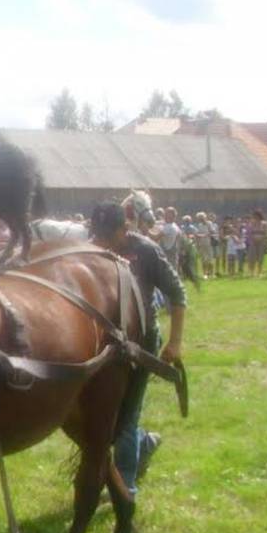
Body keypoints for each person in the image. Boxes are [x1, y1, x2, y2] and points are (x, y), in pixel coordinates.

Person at [89, 202, 185, 499]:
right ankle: (145, 444)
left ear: (125, 229)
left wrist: (174, 342)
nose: (102, 240)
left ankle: (125, 488)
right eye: (98, 233)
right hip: (105, 344)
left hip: (141, 341)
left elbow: (177, 294)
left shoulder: (145, 251)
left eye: (109, 234)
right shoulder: (89, 251)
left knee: (127, 416)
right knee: (109, 416)